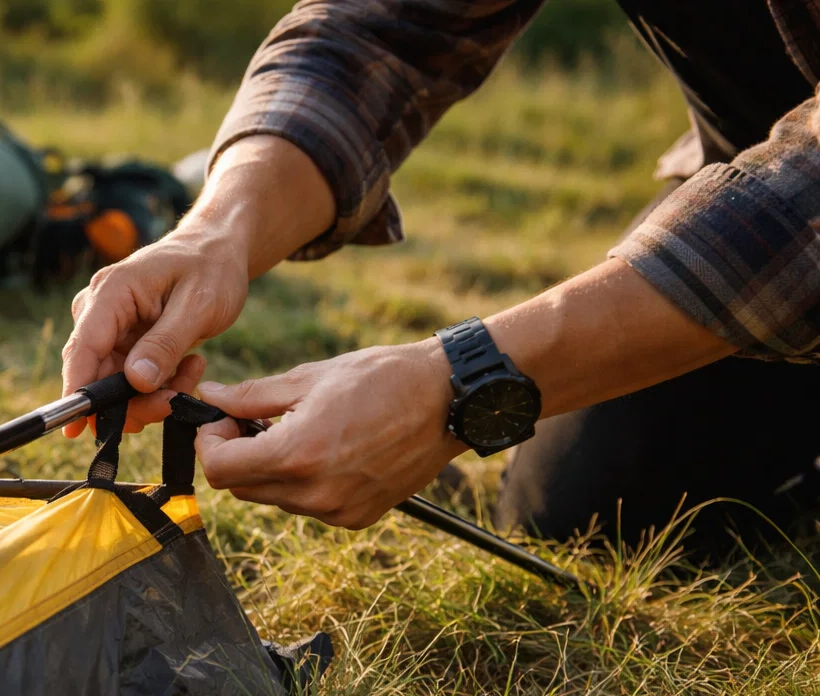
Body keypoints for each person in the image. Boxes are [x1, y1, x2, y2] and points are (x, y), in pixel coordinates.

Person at [60, 2, 820, 555]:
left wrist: (456, 382)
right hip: (746, 194)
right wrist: (216, 232)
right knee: (586, 512)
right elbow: (378, 29)